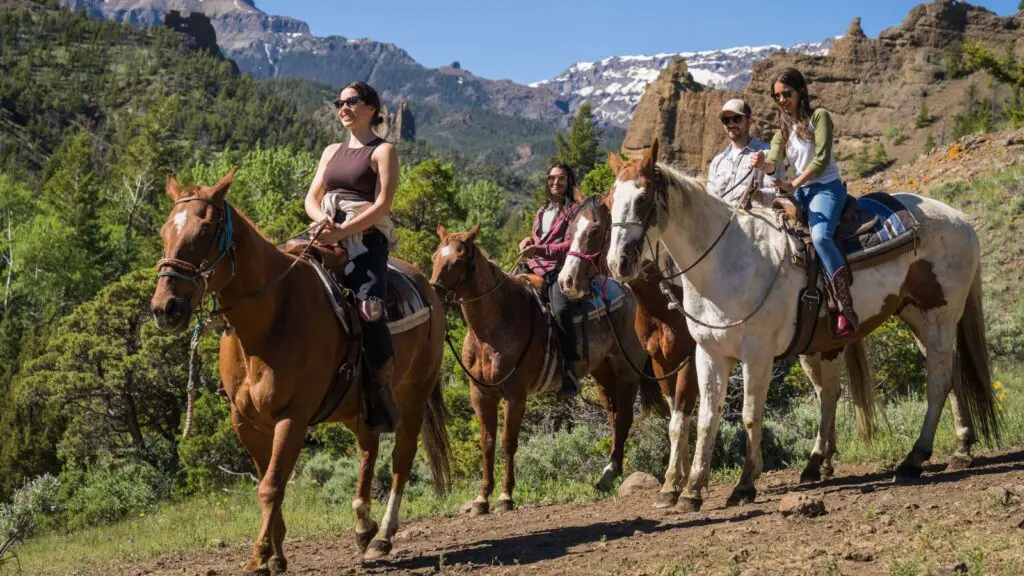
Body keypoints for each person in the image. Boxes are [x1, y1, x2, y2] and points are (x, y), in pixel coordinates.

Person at [304, 81, 401, 432]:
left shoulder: (383, 151)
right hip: (325, 232)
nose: (343, 108)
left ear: (372, 108)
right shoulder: (331, 151)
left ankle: (381, 393)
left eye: (352, 101)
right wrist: (322, 220)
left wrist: (344, 231)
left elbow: (383, 204)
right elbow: (311, 198)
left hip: (365, 239)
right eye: (339, 103)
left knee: (370, 311)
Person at [751, 67, 858, 339]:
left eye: (787, 93)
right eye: (777, 96)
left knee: (821, 238)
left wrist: (793, 184)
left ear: (800, 91)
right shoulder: (782, 132)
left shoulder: (819, 117)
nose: (782, 100)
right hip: (800, 192)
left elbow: (821, 160)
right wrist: (764, 164)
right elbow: (774, 162)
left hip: (826, 189)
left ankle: (845, 307)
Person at [519, 163, 583, 399]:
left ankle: (569, 369)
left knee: (561, 310)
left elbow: (570, 245)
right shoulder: (542, 210)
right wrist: (527, 241)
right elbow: (538, 238)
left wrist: (538, 250)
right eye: (552, 178)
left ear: (569, 182)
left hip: (559, 269)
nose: (556, 183)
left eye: (561, 179)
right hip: (533, 267)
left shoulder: (574, 211)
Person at [706, 98, 780, 206]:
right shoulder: (717, 162)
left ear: (749, 121)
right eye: (726, 120)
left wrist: (757, 194)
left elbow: (779, 193)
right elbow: (709, 200)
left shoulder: (767, 153)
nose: (731, 124)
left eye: (736, 119)